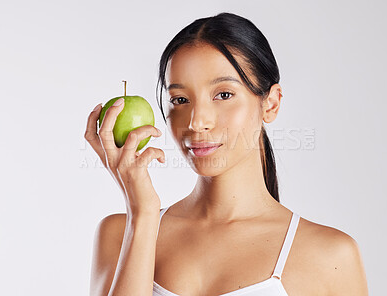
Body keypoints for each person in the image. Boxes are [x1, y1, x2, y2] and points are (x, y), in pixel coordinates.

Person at [85, 12, 368, 296]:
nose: (197, 122)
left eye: (223, 95)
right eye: (180, 100)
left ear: (270, 104)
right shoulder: (120, 233)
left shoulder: (330, 256)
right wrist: (142, 215)